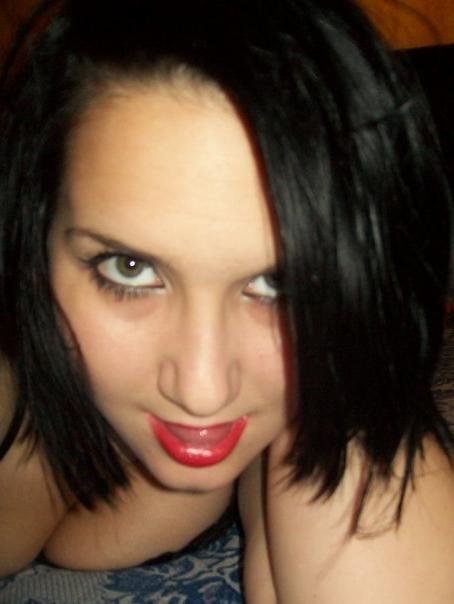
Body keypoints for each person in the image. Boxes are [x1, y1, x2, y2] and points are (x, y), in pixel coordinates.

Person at [1, 0, 453, 600]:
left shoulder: (348, 463)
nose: (202, 391)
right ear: (36, 232)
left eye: (281, 284)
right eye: (130, 268)